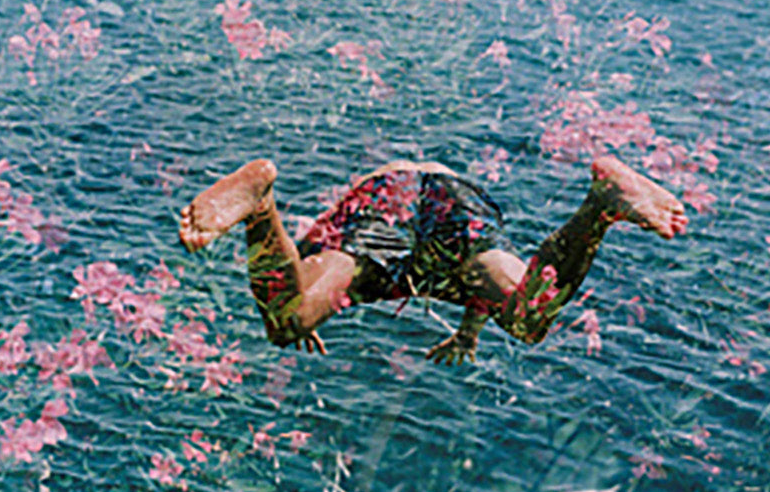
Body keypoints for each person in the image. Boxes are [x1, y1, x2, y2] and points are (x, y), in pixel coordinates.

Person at [178, 155, 688, 363]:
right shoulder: (457, 280)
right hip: (453, 201)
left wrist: (301, 293)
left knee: (288, 318)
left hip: (387, 204)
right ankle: (599, 205)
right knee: (529, 316)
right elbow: (484, 282)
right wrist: (468, 333)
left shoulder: (352, 259)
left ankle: (261, 207)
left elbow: (323, 245)